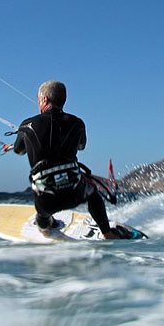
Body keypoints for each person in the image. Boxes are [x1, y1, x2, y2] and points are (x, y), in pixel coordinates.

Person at [13, 80, 121, 239]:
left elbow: (18, 150)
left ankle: (46, 229)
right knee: (93, 193)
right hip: (75, 193)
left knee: (42, 215)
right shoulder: (77, 123)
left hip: (47, 201)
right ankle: (107, 232)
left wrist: (23, 136)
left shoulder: (27, 125)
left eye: (38, 99)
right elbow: (81, 146)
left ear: (44, 100)